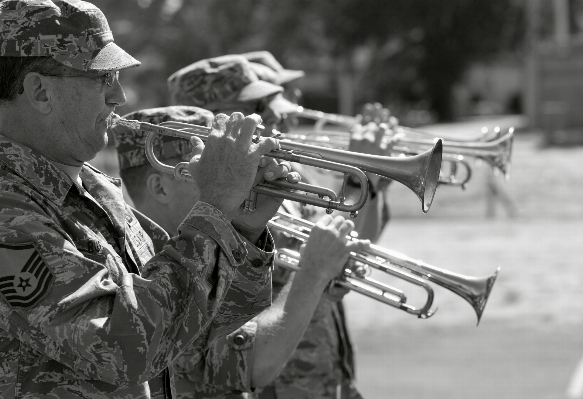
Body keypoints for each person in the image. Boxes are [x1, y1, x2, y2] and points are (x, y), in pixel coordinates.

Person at [0, 2, 303, 398]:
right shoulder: (9, 209)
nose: (119, 96)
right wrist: (213, 209)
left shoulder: (92, 188)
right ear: (40, 90)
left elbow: (194, 330)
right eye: (103, 77)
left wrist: (240, 227)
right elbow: (122, 347)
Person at [167, 55, 393, 398]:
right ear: (209, 116)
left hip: (321, 368)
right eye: (254, 105)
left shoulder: (276, 183)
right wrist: (316, 270)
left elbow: (351, 242)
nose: (270, 116)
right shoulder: (201, 197)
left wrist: (370, 185)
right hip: (275, 381)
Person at [110, 106, 370, 399]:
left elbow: (246, 326)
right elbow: (251, 364)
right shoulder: (141, 272)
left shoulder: (207, 250)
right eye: (211, 170)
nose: (235, 179)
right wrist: (312, 274)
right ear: (161, 187)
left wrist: (247, 231)